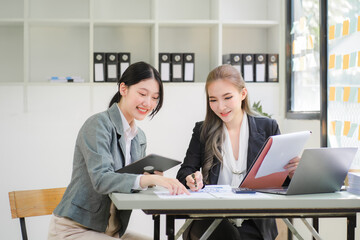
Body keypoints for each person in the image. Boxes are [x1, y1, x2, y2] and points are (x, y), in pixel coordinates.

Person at [48, 61, 189, 240]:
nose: (148, 103)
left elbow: (127, 181)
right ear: (123, 88)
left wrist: (153, 178)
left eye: (155, 97)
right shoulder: (98, 125)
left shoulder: (139, 137)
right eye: (142, 93)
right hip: (74, 230)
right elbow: (102, 179)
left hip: (110, 232)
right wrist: (148, 178)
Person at [176, 64, 299, 240]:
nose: (220, 107)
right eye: (213, 100)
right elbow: (184, 172)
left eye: (227, 97)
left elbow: (282, 180)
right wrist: (191, 179)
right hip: (210, 219)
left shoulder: (267, 128)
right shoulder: (202, 130)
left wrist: (293, 173)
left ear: (243, 94)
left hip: (254, 221)